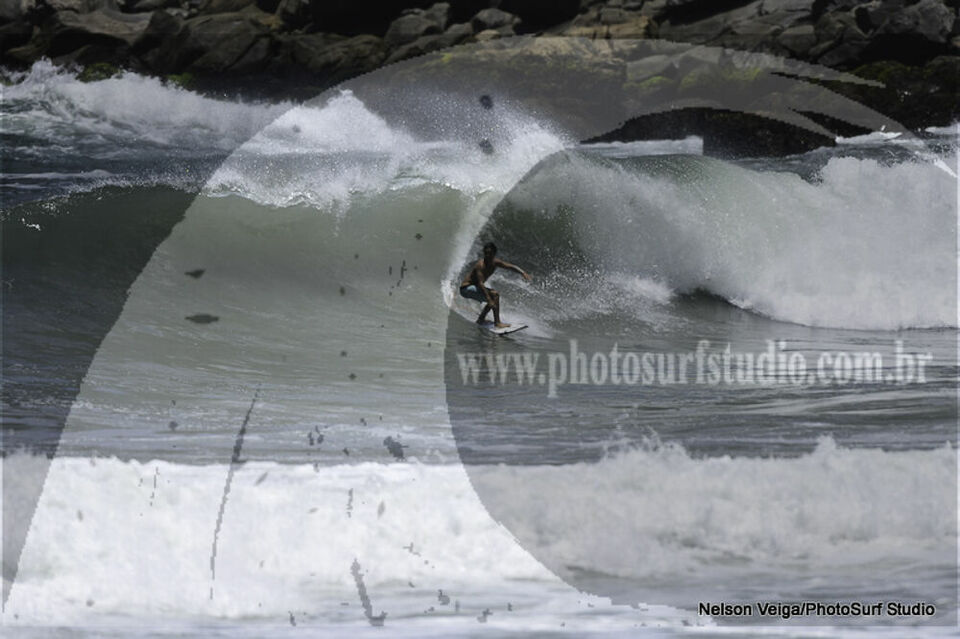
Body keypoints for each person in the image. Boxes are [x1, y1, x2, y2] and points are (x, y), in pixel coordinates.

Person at [459, 242, 532, 328]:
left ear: (494, 253)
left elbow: (509, 266)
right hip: (466, 289)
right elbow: (480, 283)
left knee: (493, 297)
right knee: (494, 295)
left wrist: (522, 272)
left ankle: (481, 319)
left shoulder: (495, 262)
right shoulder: (480, 265)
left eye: (490, 253)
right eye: (486, 253)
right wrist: (489, 299)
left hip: (474, 288)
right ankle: (497, 322)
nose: (487, 255)